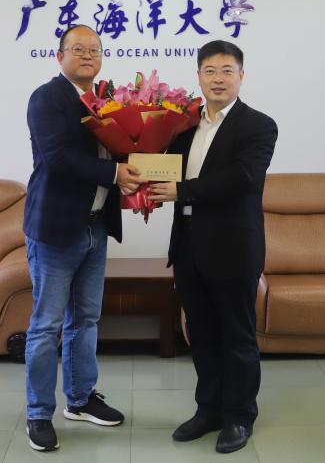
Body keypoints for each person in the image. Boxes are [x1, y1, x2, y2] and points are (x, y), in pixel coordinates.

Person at [149, 39, 277, 454]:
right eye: (210, 71)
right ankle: (208, 410)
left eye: (226, 71)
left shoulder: (258, 125)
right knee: (200, 333)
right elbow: (162, 167)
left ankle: (238, 416)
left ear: (241, 76)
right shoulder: (184, 126)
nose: (218, 79)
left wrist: (182, 190)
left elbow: (243, 178)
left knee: (236, 335)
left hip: (233, 247)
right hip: (188, 246)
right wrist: (141, 186)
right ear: (199, 77)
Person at [23, 24, 143, 452]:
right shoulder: (46, 98)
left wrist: (145, 168)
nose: (88, 55)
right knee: (47, 326)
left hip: (96, 225)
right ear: (60, 57)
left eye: (94, 49)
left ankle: (80, 398)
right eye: (78, 49)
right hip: (56, 229)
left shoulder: (107, 99)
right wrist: (115, 173)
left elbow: (123, 146)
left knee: (87, 319)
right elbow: (57, 156)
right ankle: (39, 413)